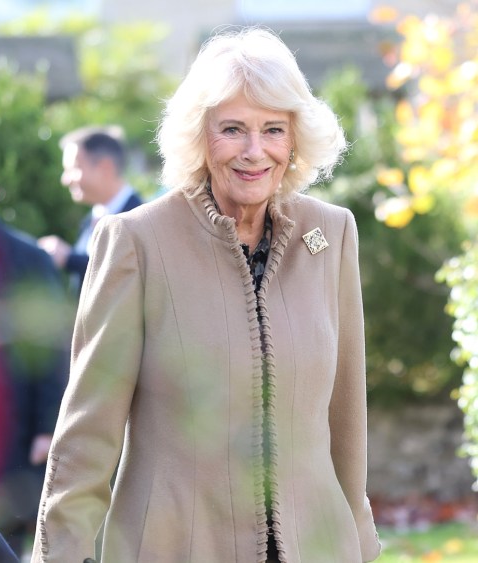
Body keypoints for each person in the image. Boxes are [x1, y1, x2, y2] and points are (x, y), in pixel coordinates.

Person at [32, 28, 380, 562]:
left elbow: (346, 416)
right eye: (233, 129)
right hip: (177, 546)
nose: (254, 151)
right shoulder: (136, 241)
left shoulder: (330, 234)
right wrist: (61, 552)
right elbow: (89, 431)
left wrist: (358, 541)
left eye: (273, 130)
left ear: (295, 139)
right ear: (200, 136)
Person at [0, 153, 69, 556]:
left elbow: (53, 347)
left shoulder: (28, 259)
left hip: (11, 431)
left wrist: (48, 427)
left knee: (3, 541)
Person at [37, 126, 143, 296]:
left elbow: (122, 277)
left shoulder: (139, 217)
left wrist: (69, 258)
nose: (65, 180)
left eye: (74, 168)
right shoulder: (90, 219)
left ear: (105, 168)